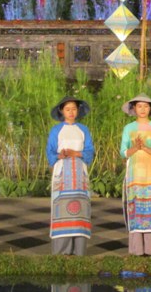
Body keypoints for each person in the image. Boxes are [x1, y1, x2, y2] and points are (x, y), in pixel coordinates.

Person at [46, 96, 94, 255]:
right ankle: (62, 251)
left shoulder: (83, 129)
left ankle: (79, 251)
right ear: (62, 111)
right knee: (62, 209)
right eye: (67, 109)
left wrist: (76, 153)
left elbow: (90, 151)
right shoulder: (56, 130)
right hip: (62, 175)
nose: (71, 112)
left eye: (74, 109)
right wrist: (59, 155)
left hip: (80, 175)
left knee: (80, 210)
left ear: (78, 110)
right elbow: (50, 151)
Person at [121, 94, 151, 256]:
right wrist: (135, 147)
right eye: (139, 106)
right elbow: (123, 152)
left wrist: (145, 147)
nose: (142, 109)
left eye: (146, 106)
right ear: (134, 108)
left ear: (150, 109)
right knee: (135, 208)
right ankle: (137, 249)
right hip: (134, 173)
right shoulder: (128, 128)